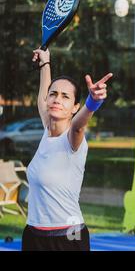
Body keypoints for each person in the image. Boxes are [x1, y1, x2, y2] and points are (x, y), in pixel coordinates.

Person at [21, 48, 113, 251]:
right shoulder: (47, 131)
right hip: (33, 235)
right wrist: (45, 63)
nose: (57, 99)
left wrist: (93, 102)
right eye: (53, 94)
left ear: (74, 107)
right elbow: (42, 98)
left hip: (68, 236)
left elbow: (79, 125)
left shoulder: (72, 139)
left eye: (65, 96)